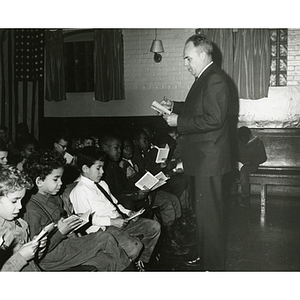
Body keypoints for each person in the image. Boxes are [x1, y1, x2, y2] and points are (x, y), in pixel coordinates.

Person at [160, 33, 231, 270]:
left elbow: (214, 119)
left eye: (188, 58)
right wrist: (175, 107)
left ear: (202, 54)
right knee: (202, 218)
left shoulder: (215, 79)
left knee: (209, 220)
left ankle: (213, 268)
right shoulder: (206, 78)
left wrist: (178, 121)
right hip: (201, 162)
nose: (185, 64)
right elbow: (199, 108)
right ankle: (206, 258)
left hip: (208, 163)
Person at [23, 149, 131, 271]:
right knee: (105, 238)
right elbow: (36, 251)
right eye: (56, 179)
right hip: (51, 257)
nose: (61, 183)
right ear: (39, 181)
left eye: (61, 178)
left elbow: (60, 219)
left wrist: (76, 219)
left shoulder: (53, 197)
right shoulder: (31, 210)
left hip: (66, 244)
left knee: (107, 261)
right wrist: (61, 232)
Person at [70, 146, 161, 271]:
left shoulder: (102, 183)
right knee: (135, 246)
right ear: (85, 168)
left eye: (102, 167)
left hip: (119, 221)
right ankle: (125, 265)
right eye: (98, 168)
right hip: (103, 231)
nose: (102, 172)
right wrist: (112, 222)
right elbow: (87, 220)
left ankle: (140, 261)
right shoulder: (79, 191)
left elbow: (116, 203)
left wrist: (129, 212)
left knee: (154, 227)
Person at [0, 164, 47, 271]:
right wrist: (21, 257)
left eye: (22, 200)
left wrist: (37, 248)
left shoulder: (20, 224)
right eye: (14, 201)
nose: (21, 206)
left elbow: (31, 264)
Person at [237, 126, 267, 206]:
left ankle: (245, 197)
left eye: (244, 138)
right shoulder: (239, 142)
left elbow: (263, 158)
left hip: (251, 165)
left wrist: (252, 161)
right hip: (240, 164)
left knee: (243, 173)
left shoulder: (257, 142)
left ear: (249, 135)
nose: (242, 140)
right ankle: (233, 197)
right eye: (241, 139)